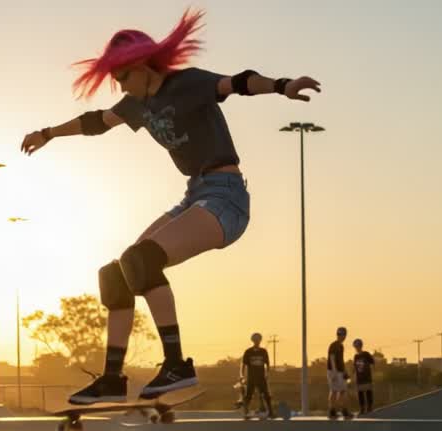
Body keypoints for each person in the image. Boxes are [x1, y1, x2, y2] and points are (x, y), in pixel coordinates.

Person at [20, 9, 321, 404]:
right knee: (117, 272)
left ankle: (177, 365)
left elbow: (239, 82)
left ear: (143, 65)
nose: (121, 86)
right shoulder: (136, 103)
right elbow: (97, 122)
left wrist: (283, 86)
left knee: (144, 259)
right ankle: (112, 379)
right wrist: (48, 134)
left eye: (123, 76)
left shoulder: (188, 83)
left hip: (226, 197)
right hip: (194, 195)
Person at [240, 332, 274, 418]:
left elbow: (267, 364)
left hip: (261, 377)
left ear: (260, 340)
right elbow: (243, 364)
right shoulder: (248, 352)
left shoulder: (263, 351)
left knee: (266, 394)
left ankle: (270, 412)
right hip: (251, 377)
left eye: (258, 340)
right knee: (248, 395)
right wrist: (242, 375)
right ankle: (246, 412)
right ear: (252, 340)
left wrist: (267, 374)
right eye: (255, 340)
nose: (257, 342)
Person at [327, 327, 351, 420]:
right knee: (334, 391)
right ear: (337, 335)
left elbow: (341, 359)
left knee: (342, 391)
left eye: (343, 335)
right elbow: (332, 358)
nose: (342, 337)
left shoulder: (341, 346)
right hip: (334, 371)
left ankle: (342, 410)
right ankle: (332, 411)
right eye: (340, 335)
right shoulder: (333, 345)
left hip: (340, 371)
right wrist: (334, 373)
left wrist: (345, 371)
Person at [351, 339, 375, 416]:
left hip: (367, 376)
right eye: (356, 347)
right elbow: (354, 367)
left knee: (368, 392)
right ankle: (362, 408)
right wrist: (352, 375)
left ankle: (369, 407)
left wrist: (370, 370)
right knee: (360, 393)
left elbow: (372, 363)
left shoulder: (366, 354)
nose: (357, 348)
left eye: (358, 346)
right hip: (359, 377)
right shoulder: (356, 356)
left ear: (361, 346)